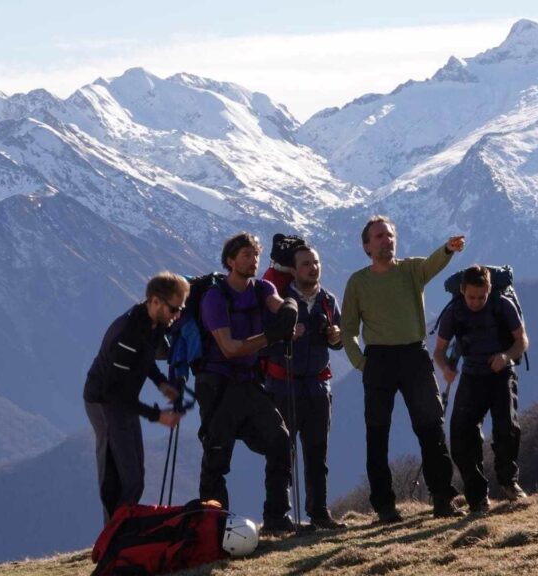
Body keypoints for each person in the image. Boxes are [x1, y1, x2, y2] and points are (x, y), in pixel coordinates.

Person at [341, 215, 466, 522]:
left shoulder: (411, 269)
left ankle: (442, 498)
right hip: (378, 361)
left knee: (431, 427)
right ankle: (384, 507)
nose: (387, 241)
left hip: (414, 356)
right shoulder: (358, 282)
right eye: (380, 236)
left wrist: (448, 248)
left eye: (390, 235)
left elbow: (433, 264)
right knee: (377, 434)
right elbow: (347, 330)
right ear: (367, 246)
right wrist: (361, 362)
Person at [196, 232, 298, 533]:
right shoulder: (215, 297)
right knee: (217, 455)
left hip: (249, 382)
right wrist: (272, 335)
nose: (253, 261)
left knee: (280, 440)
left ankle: (277, 517)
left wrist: (289, 309)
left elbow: (278, 302)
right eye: (246, 255)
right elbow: (229, 348)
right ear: (230, 261)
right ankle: (215, 528)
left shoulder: (261, 288)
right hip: (217, 385)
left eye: (255, 255)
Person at [83, 272, 188, 523]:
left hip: (122, 400)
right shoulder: (128, 335)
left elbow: (145, 358)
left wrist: (161, 382)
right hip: (104, 402)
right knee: (120, 477)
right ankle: (114, 537)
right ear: (155, 301)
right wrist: (157, 415)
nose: (177, 315)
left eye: (180, 308)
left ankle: (121, 532)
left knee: (135, 476)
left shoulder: (154, 323)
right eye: (174, 308)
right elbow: (114, 393)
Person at [433, 265, 529, 513]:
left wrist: (506, 357)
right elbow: (439, 351)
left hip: (501, 374)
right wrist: (446, 369)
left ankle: (509, 482)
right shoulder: (454, 312)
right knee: (461, 435)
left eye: (481, 297)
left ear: (489, 290)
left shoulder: (503, 306)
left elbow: (522, 342)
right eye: (471, 297)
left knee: (506, 427)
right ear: (462, 290)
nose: (475, 302)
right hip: (472, 375)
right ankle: (477, 496)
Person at [264, 245, 347, 529]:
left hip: (317, 387)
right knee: (280, 453)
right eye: (306, 264)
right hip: (283, 386)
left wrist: (337, 337)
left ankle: (319, 513)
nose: (313, 268)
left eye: (316, 262)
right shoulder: (278, 301)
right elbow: (264, 339)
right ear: (294, 270)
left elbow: (338, 343)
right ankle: (277, 517)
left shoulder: (328, 300)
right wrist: (285, 335)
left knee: (316, 453)